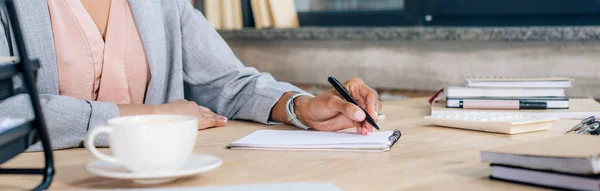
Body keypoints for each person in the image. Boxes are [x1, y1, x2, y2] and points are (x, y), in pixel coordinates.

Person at [0, 0, 381, 151]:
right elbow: (9, 113)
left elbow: (229, 81)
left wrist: (302, 107)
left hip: (158, 178)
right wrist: (157, 116)